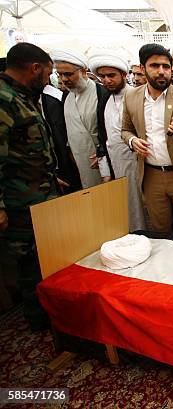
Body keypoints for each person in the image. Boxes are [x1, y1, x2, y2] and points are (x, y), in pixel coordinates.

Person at [0, 43, 57, 330]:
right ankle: (39, 320)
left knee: (44, 257)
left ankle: (48, 312)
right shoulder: (4, 99)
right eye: (47, 74)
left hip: (38, 193)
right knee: (30, 263)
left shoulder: (22, 96)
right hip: (18, 201)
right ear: (35, 68)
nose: (48, 81)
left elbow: (26, 149)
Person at [121, 44, 173, 239]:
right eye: (155, 66)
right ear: (142, 68)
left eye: (166, 67)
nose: (162, 72)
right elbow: (125, 130)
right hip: (151, 176)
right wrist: (133, 141)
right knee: (160, 232)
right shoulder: (131, 96)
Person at [90, 51, 146, 232]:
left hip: (139, 165)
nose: (107, 81)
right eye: (103, 77)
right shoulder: (105, 99)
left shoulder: (138, 96)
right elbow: (104, 138)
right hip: (116, 166)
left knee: (143, 210)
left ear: (123, 74)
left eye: (111, 75)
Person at [51, 49, 113, 188]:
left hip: (105, 163)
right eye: (60, 74)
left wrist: (104, 155)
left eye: (68, 74)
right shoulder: (67, 97)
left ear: (84, 71)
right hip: (80, 162)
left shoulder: (102, 94)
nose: (64, 79)